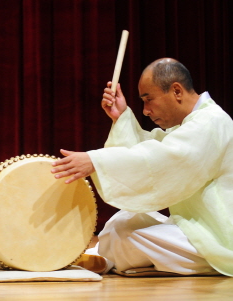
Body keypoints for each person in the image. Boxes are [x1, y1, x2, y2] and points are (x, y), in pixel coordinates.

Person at [52, 58, 233, 276]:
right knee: (121, 222)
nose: (146, 110)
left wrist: (95, 160)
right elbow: (152, 149)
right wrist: (122, 118)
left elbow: (163, 157)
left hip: (218, 236)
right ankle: (107, 257)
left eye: (149, 100)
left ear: (176, 90)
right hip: (193, 226)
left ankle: (107, 257)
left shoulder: (210, 122)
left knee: (130, 238)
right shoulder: (195, 123)